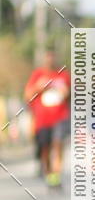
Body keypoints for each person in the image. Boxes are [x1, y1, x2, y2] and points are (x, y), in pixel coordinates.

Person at [24, 48, 70, 188]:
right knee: (45, 148)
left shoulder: (64, 75)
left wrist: (66, 92)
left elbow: (73, 95)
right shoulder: (37, 75)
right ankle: (49, 173)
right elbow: (27, 95)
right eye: (48, 57)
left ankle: (56, 174)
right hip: (42, 119)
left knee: (58, 144)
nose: (51, 60)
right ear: (44, 59)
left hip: (60, 116)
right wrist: (39, 87)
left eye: (53, 57)